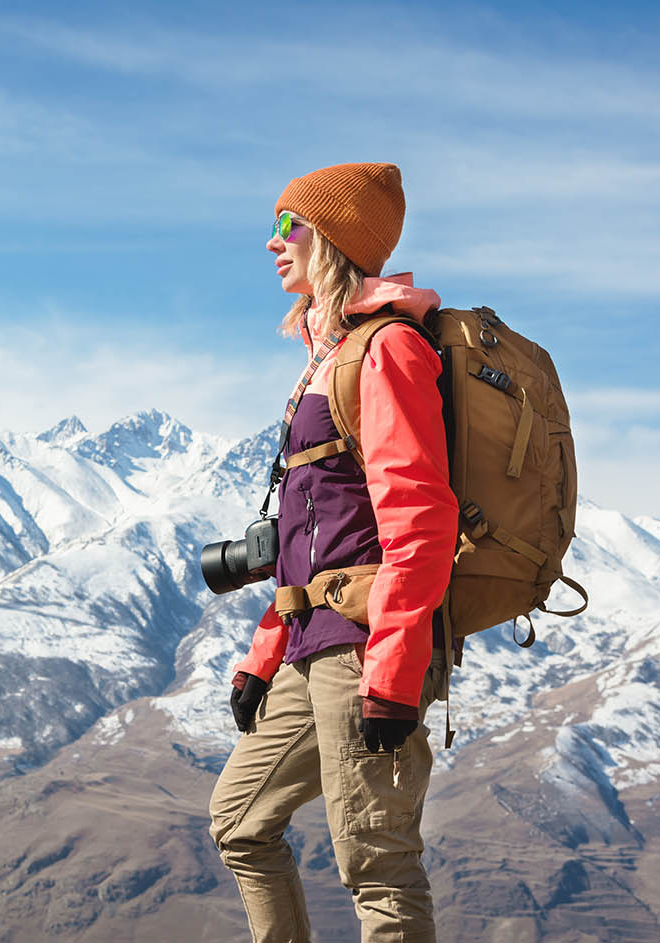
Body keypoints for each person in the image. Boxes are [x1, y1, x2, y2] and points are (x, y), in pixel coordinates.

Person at [208, 162, 459, 943]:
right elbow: (308, 541)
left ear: (334, 239)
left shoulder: (386, 351)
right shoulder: (325, 358)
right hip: (311, 644)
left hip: (364, 648)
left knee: (374, 864)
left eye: (289, 226)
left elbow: (418, 516)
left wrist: (390, 674)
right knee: (238, 820)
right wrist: (262, 654)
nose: (271, 242)